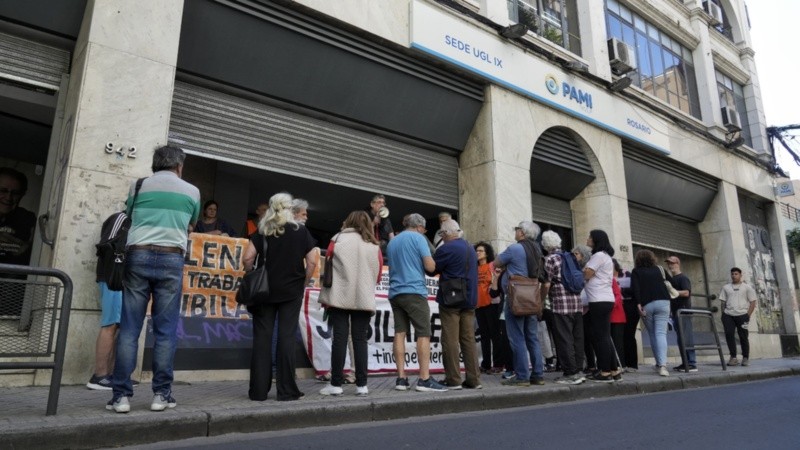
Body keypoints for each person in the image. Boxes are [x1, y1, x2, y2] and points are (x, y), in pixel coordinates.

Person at [107, 145, 201, 414]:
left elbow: (131, 214)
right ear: (179, 166)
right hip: (172, 258)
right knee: (165, 331)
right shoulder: (192, 191)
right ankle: (161, 394)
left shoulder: (138, 186)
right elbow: (191, 224)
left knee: (129, 329)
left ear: (155, 164)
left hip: (138, 256)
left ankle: (121, 397)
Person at [243, 192, 317, 401]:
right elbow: (312, 261)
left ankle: (258, 391)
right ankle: (286, 390)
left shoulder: (263, 230)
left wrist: (250, 273)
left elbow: (247, 258)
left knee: (262, 338)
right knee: (286, 337)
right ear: (289, 208)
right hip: (291, 291)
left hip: (264, 291)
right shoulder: (300, 231)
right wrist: (303, 281)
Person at [317, 211, 382, 396]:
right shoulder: (374, 246)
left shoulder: (337, 239)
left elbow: (328, 262)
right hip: (363, 297)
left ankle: (336, 384)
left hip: (339, 295)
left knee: (339, 339)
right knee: (360, 340)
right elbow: (377, 276)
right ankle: (362, 385)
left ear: (349, 221)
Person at [386, 213, 446, 392]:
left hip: (395, 292)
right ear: (420, 226)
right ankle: (424, 379)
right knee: (423, 333)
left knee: (399, 333)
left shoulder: (393, 241)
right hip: (414, 291)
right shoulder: (419, 239)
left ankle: (401, 379)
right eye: (424, 229)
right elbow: (430, 267)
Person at [495, 220, 545, 386]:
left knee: (517, 337)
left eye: (517, 229)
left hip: (516, 297)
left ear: (522, 232)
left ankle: (522, 376)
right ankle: (538, 374)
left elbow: (496, 262)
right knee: (532, 337)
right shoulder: (537, 249)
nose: (515, 232)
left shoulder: (515, 248)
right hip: (531, 296)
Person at [432, 219, 481, 390]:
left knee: (450, 340)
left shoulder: (446, 248)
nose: (442, 237)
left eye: (442, 234)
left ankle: (453, 379)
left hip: (451, 299)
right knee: (468, 339)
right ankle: (474, 379)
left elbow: (431, 269)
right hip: (470, 299)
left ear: (446, 233)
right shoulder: (470, 248)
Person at [87, 210, 130, 391]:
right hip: (113, 278)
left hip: (122, 279)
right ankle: (100, 375)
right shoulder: (122, 217)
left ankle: (110, 375)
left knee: (117, 326)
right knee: (110, 324)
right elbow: (107, 245)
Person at [541, 231, 585, 385]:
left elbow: (547, 283)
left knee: (564, 338)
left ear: (545, 245)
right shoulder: (571, 257)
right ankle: (579, 370)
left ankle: (570, 373)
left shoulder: (550, 259)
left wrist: (541, 299)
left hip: (561, 305)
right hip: (577, 304)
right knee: (577, 338)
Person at [583, 229, 620, 383]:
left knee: (600, 336)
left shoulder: (598, 256)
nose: (588, 239)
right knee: (604, 335)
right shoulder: (606, 257)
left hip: (598, 300)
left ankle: (605, 371)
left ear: (596, 240)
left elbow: (587, 274)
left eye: (590, 237)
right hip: (605, 299)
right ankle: (614, 369)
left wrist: (582, 269)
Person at [0, 167, 36, 317]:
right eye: (3, 190)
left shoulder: (28, 219)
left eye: (15, 193)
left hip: (12, 286)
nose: (8, 197)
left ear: (22, 195)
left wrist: (26, 249)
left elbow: (37, 253)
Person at [631, 249, 672, 377]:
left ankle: (659, 364)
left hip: (647, 304)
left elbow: (635, 289)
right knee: (661, 333)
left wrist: (638, 304)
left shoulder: (636, 271)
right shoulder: (660, 269)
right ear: (652, 258)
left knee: (653, 334)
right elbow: (671, 282)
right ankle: (663, 365)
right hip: (664, 302)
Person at [719, 267, 757, 367]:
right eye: (732, 274)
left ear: (740, 275)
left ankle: (745, 357)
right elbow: (723, 302)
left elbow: (753, 302)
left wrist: (747, 315)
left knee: (743, 336)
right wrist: (723, 314)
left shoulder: (747, 287)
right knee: (729, 334)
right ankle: (733, 357)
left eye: (736, 274)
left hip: (742, 315)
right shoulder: (726, 287)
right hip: (728, 315)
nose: (734, 276)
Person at [474, 241, 502, 374]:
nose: (477, 253)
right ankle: (485, 364)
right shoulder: (474, 268)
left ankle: (498, 364)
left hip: (492, 304)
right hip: (479, 305)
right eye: (476, 251)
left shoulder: (491, 265)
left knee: (495, 335)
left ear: (487, 254)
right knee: (484, 336)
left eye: (480, 251)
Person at [666, 256, 696, 372]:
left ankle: (692, 363)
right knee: (681, 338)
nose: (670, 266)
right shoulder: (672, 279)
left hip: (684, 311)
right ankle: (685, 363)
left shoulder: (683, 278)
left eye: (672, 263)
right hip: (676, 312)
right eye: (669, 264)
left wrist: (674, 292)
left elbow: (686, 293)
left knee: (687, 337)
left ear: (678, 263)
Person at [572, 244, 594, 373]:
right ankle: (590, 364)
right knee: (583, 338)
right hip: (580, 307)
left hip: (588, 306)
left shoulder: (587, 269)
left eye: (577, 254)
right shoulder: (576, 268)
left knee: (589, 337)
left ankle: (592, 364)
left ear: (583, 256)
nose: (574, 256)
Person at [619, 267, 639, 372]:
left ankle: (631, 364)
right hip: (623, 307)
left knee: (629, 335)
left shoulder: (627, 275)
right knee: (622, 336)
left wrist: (621, 290)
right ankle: (624, 363)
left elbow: (634, 290)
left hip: (630, 307)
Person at [610, 259, 627, 371]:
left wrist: (610, 306)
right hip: (610, 315)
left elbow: (617, 297)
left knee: (618, 342)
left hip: (616, 315)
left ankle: (621, 365)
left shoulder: (613, 280)